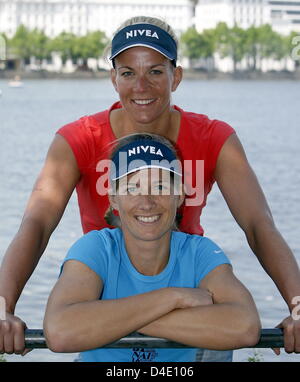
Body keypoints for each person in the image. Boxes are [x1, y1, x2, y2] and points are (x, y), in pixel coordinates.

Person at [0, 15, 299, 359]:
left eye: (156, 71)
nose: (141, 86)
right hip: (108, 302)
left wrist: (296, 305)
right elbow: (36, 225)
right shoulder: (79, 138)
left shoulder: (214, 138)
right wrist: (4, 306)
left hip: (194, 307)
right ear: (113, 78)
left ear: (177, 76)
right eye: (128, 73)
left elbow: (259, 226)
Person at [43, 133, 261, 362]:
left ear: (179, 195)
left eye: (159, 187)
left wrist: (111, 320)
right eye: (132, 188)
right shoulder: (96, 248)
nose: (146, 203)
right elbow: (60, 332)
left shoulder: (199, 253)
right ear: (114, 198)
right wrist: (173, 298)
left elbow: (244, 327)